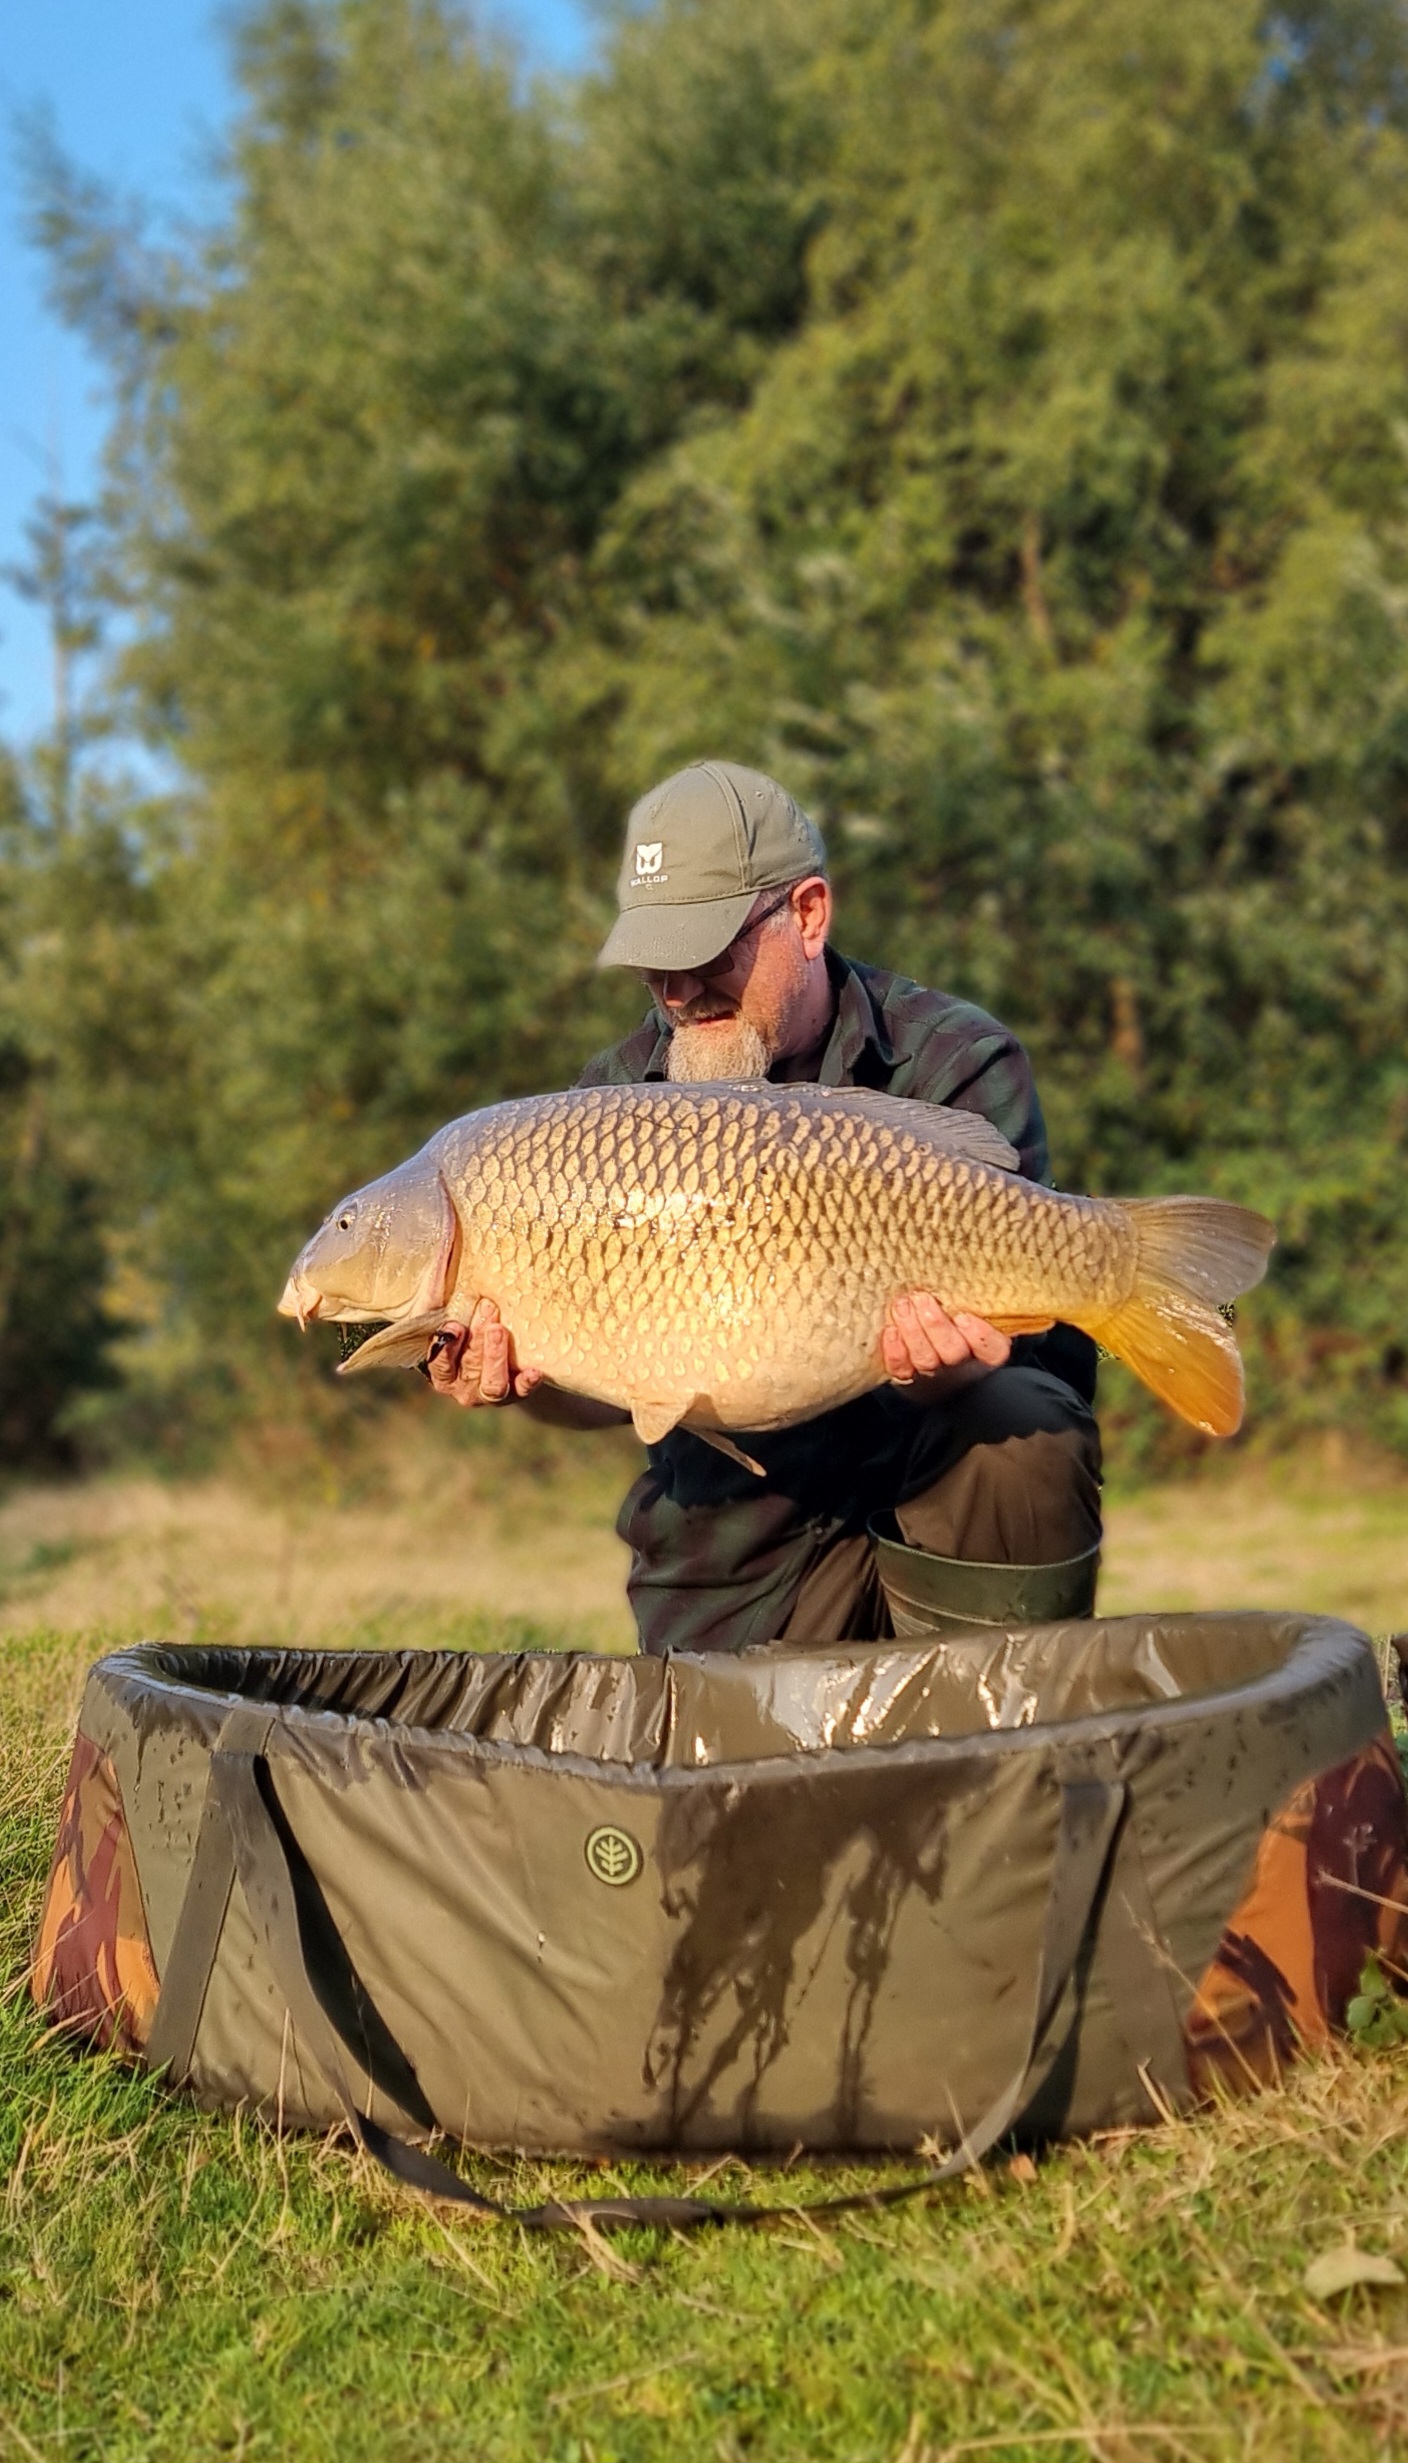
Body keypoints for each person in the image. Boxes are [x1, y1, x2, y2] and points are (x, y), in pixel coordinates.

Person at [428, 761, 1101, 1653]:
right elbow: (606, 1389)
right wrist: (517, 1380)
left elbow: (1048, 1357)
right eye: (656, 964)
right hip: (738, 1552)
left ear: (809, 915)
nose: (678, 991)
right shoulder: (606, 1108)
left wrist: (943, 1369)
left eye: (708, 951)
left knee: (1020, 1424)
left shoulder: (953, 1060)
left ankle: (998, 1712)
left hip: (936, 1492)